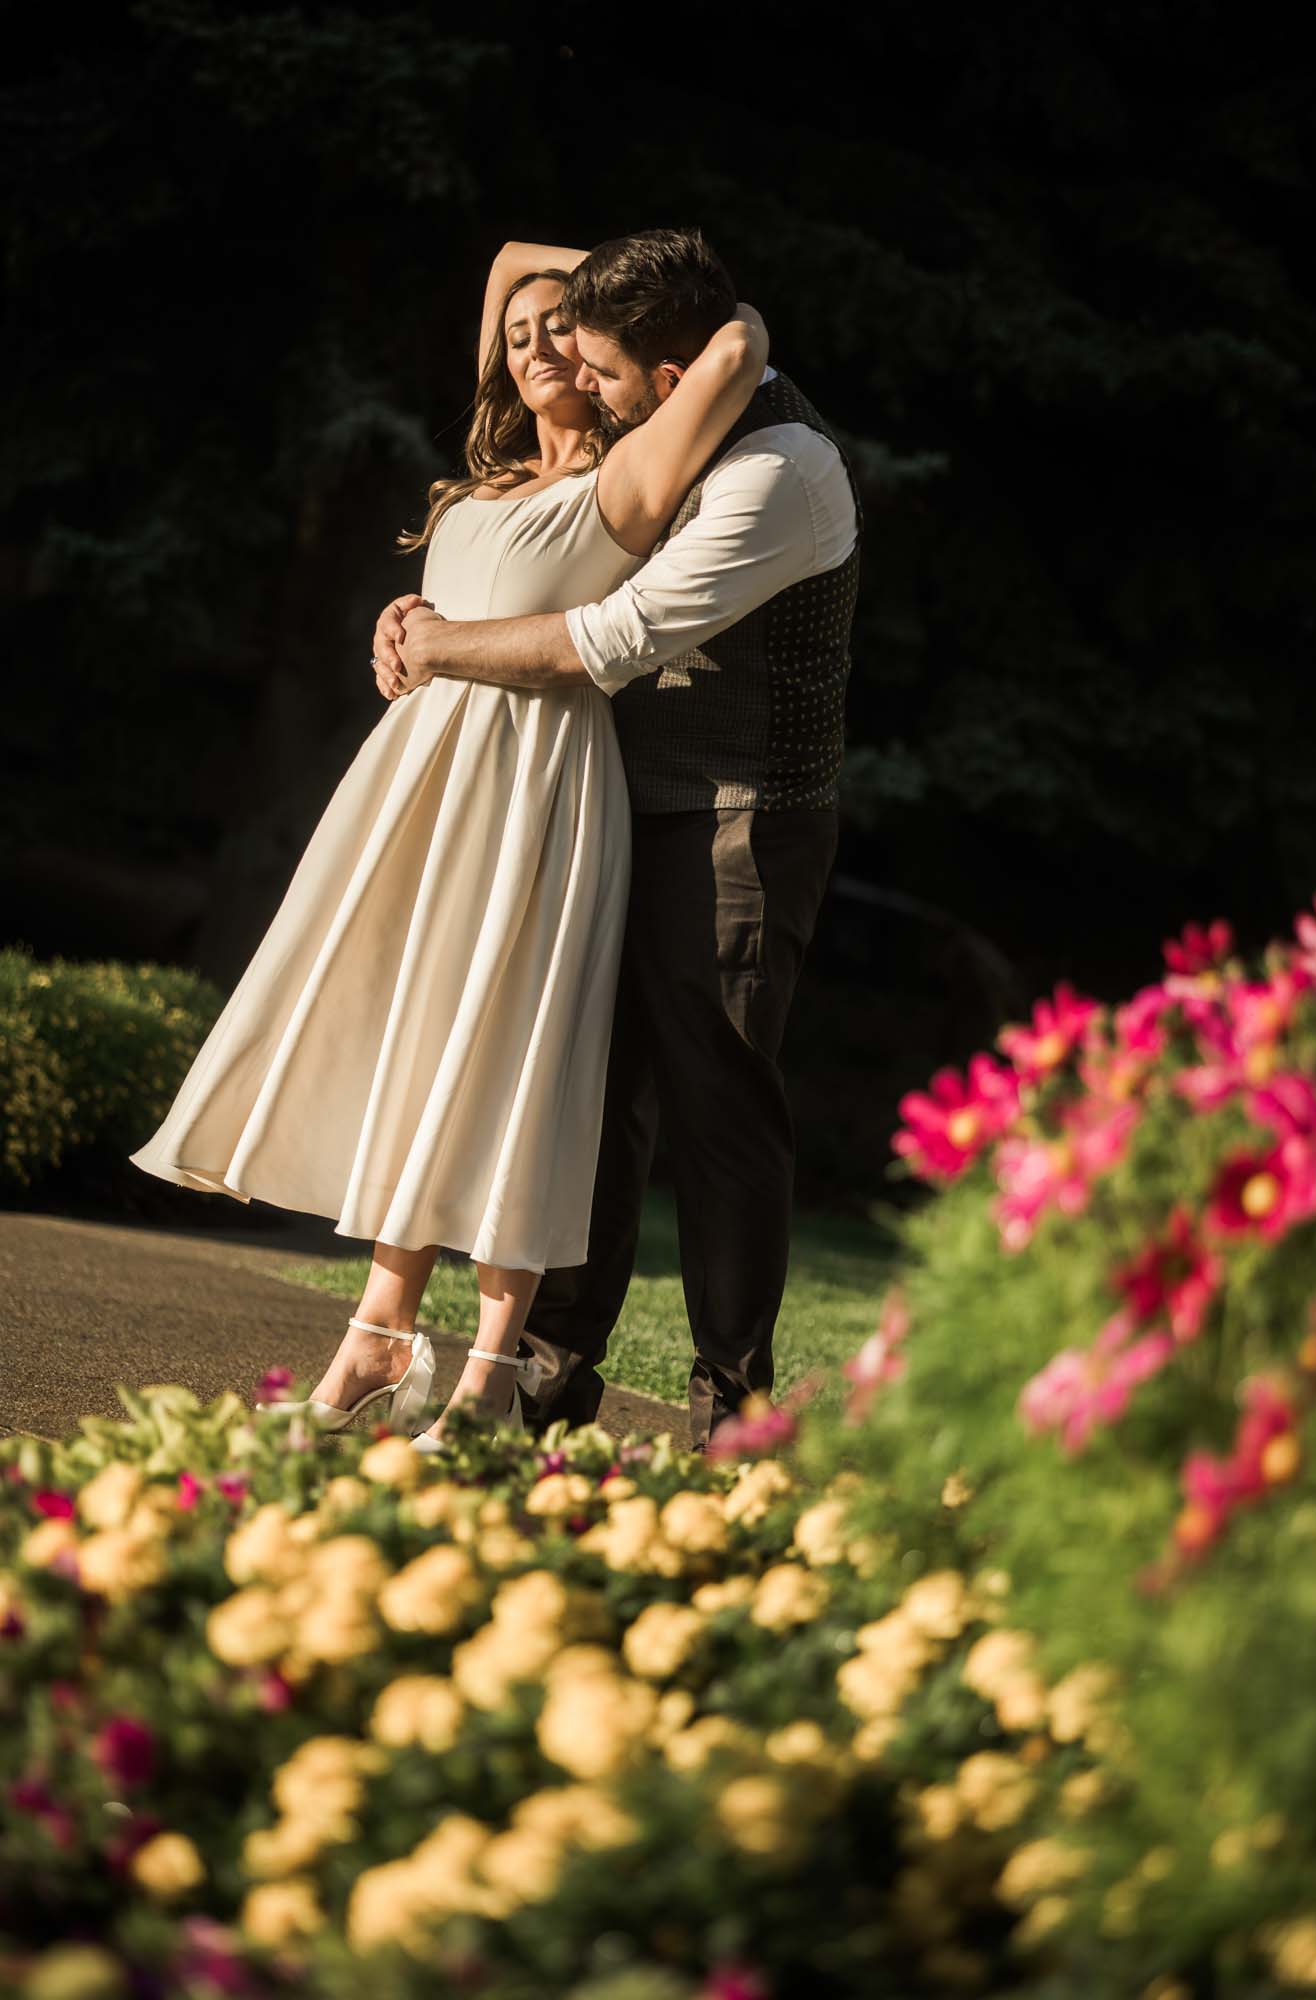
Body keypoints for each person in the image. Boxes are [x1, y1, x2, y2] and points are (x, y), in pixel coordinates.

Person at [128, 241, 769, 1441]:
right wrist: (407, 622)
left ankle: (486, 1372)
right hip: (424, 785)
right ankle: (375, 1333)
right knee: (419, 1040)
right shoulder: (484, 481)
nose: (533, 345)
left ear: (603, 345)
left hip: (539, 790)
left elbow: (736, 335)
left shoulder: (626, 478)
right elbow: (510, 261)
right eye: (515, 336)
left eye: (559, 328)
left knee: (514, 1055)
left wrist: (628, 300)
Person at [379, 226, 861, 1452]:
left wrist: (440, 647)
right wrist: (736, 315)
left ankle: (730, 1420)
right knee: (585, 1095)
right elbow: (512, 263)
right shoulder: (662, 401)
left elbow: (608, 639)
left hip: (737, 820)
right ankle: (543, 1394)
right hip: (603, 803)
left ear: (674, 375)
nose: (573, 385)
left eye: (597, 367)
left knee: (716, 1104)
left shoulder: (780, 469)